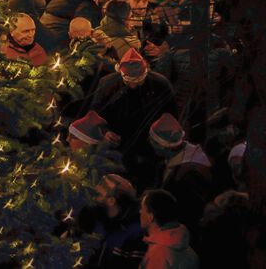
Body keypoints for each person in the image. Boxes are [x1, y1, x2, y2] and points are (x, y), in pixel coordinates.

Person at [91, 49, 176, 189]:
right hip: (118, 145)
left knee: (148, 181)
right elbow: (95, 113)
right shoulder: (107, 84)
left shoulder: (161, 84)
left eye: (138, 81)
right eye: (130, 81)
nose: (134, 85)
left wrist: (160, 138)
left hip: (149, 146)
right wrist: (105, 131)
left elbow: (170, 115)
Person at [148, 114, 215, 230]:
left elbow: (189, 212)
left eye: (153, 141)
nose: (149, 142)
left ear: (163, 146)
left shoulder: (191, 173)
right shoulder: (168, 162)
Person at [82, 174, 144, 269]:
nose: (94, 199)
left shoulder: (135, 234)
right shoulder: (106, 223)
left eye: (98, 195)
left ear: (111, 201)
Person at [136, 188, 198, 268]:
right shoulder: (186, 247)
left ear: (151, 217)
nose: (140, 211)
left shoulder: (159, 255)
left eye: (142, 208)